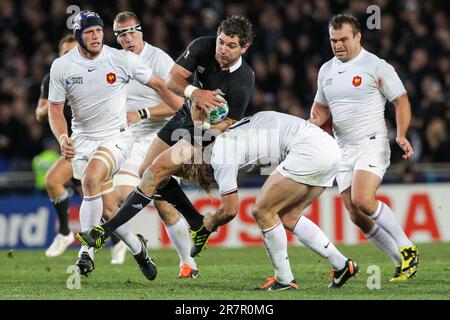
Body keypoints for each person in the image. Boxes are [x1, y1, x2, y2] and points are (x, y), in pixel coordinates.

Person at [77, 15, 255, 258]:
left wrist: (202, 125)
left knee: (155, 171)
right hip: (184, 114)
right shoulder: (202, 46)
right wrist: (196, 93)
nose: (223, 50)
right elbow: (172, 80)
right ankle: (196, 223)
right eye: (221, 42)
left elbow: (230, 122)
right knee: (144, 172)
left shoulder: (244, 79)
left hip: (204, 132)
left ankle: (104, 231)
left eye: (231, 46)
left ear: (245, 47)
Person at [48, 10, 183, 279]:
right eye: (89, 32)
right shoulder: (62, 67)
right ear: (78, 35)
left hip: (117, 138)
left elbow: (159, 84)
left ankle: (85, 253)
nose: (96, 36)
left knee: (90, 179)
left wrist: (186, 105)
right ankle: (138, 248)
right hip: (83, 140)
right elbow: (55, 109)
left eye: (98, 31)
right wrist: (63, 137)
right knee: (109, 210)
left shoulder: (119, 59)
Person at [309, 14, 418, 282]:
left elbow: (401, 100)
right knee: (356, 214)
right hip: (342, 149)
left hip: (372, 142)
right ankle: (400, 262)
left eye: (344, 39)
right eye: (333, 40)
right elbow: (321, 109)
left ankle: (408, 248)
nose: (338, 45)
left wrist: (402, 134)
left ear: (358, 37)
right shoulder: (326, 70)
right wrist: (310, 125)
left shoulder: (376, 66)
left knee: (362, 199)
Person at [112, 11, 199, 277]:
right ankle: (138, 246)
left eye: (131, 32)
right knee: (115, 199)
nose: (127, 38)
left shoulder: (158, 59)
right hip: (126, 138)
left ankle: (187, 262)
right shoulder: (115, 61)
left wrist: (142, 113)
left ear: (141, 32)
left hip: (158, 137)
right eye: (121, 34)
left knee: (163, 205)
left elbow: (179, 105)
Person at [35, 34, 78, 257]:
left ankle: (128, 243)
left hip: (90, 139)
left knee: (104, 202)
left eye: (74, 52)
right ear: (59, 55)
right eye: (65, 53)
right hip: (69, 142)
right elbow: (40, 113)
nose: (69, 57)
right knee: (55, 182)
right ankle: (64, 232)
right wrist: (52, 106)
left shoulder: (91, 74)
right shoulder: (52, 78)